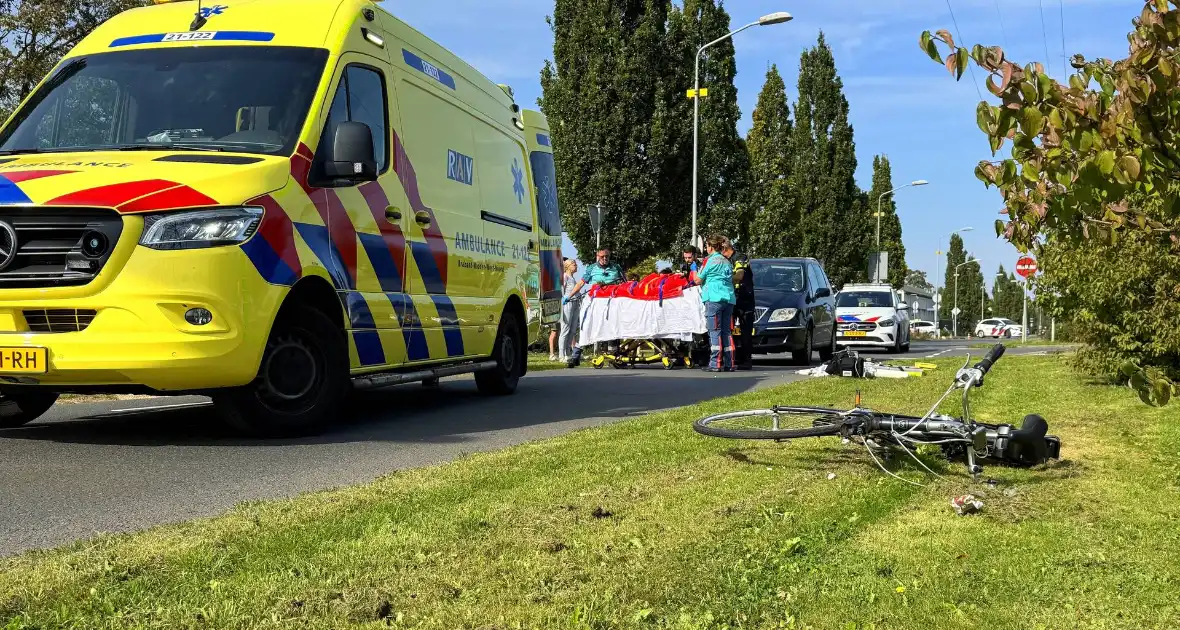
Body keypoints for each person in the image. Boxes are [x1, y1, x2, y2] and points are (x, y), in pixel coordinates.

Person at [564, 248, 625, 366]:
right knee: (587, 326)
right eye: (602, 257)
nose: (605, 259)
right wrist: (569, 296)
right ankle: (576, 355)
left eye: (607, 256)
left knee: (613, 326)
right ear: (598, 256)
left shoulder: (616, 267)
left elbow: (624, 282)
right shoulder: (592, 268)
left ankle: (614, 356)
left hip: (612, 302)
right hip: (596, 302)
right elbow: (581, 283)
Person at [694, 234, 736, 372]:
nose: (706, 248)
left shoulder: (709, 261)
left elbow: (698, 280)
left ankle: (715, 363)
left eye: (707, 246)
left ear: (711, 247)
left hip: (713, 298)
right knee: (726, 332)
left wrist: (694, 269)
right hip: (728, 299)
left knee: (714, 331)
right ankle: (729, 363)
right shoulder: (727, 261)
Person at [721, 237, 755, 370]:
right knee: (727, 330)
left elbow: (739, 275)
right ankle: (730, 359)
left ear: (724, 248)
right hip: (730, 299)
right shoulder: (723, 260)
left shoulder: (740, 257)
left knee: (745, 330)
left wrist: (722, 279)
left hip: (744, 299)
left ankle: (746, 360)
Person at [557, 258, 580, 362]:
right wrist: (563, 299)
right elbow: (561, 290)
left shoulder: (573, 278)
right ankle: (561, 355)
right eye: (573, 264)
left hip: (576, 303)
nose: (576, 265)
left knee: (572, 329)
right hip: (568, 303)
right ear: (567, 266)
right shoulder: (565, 276)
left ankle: (568, 352)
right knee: (565, 328)